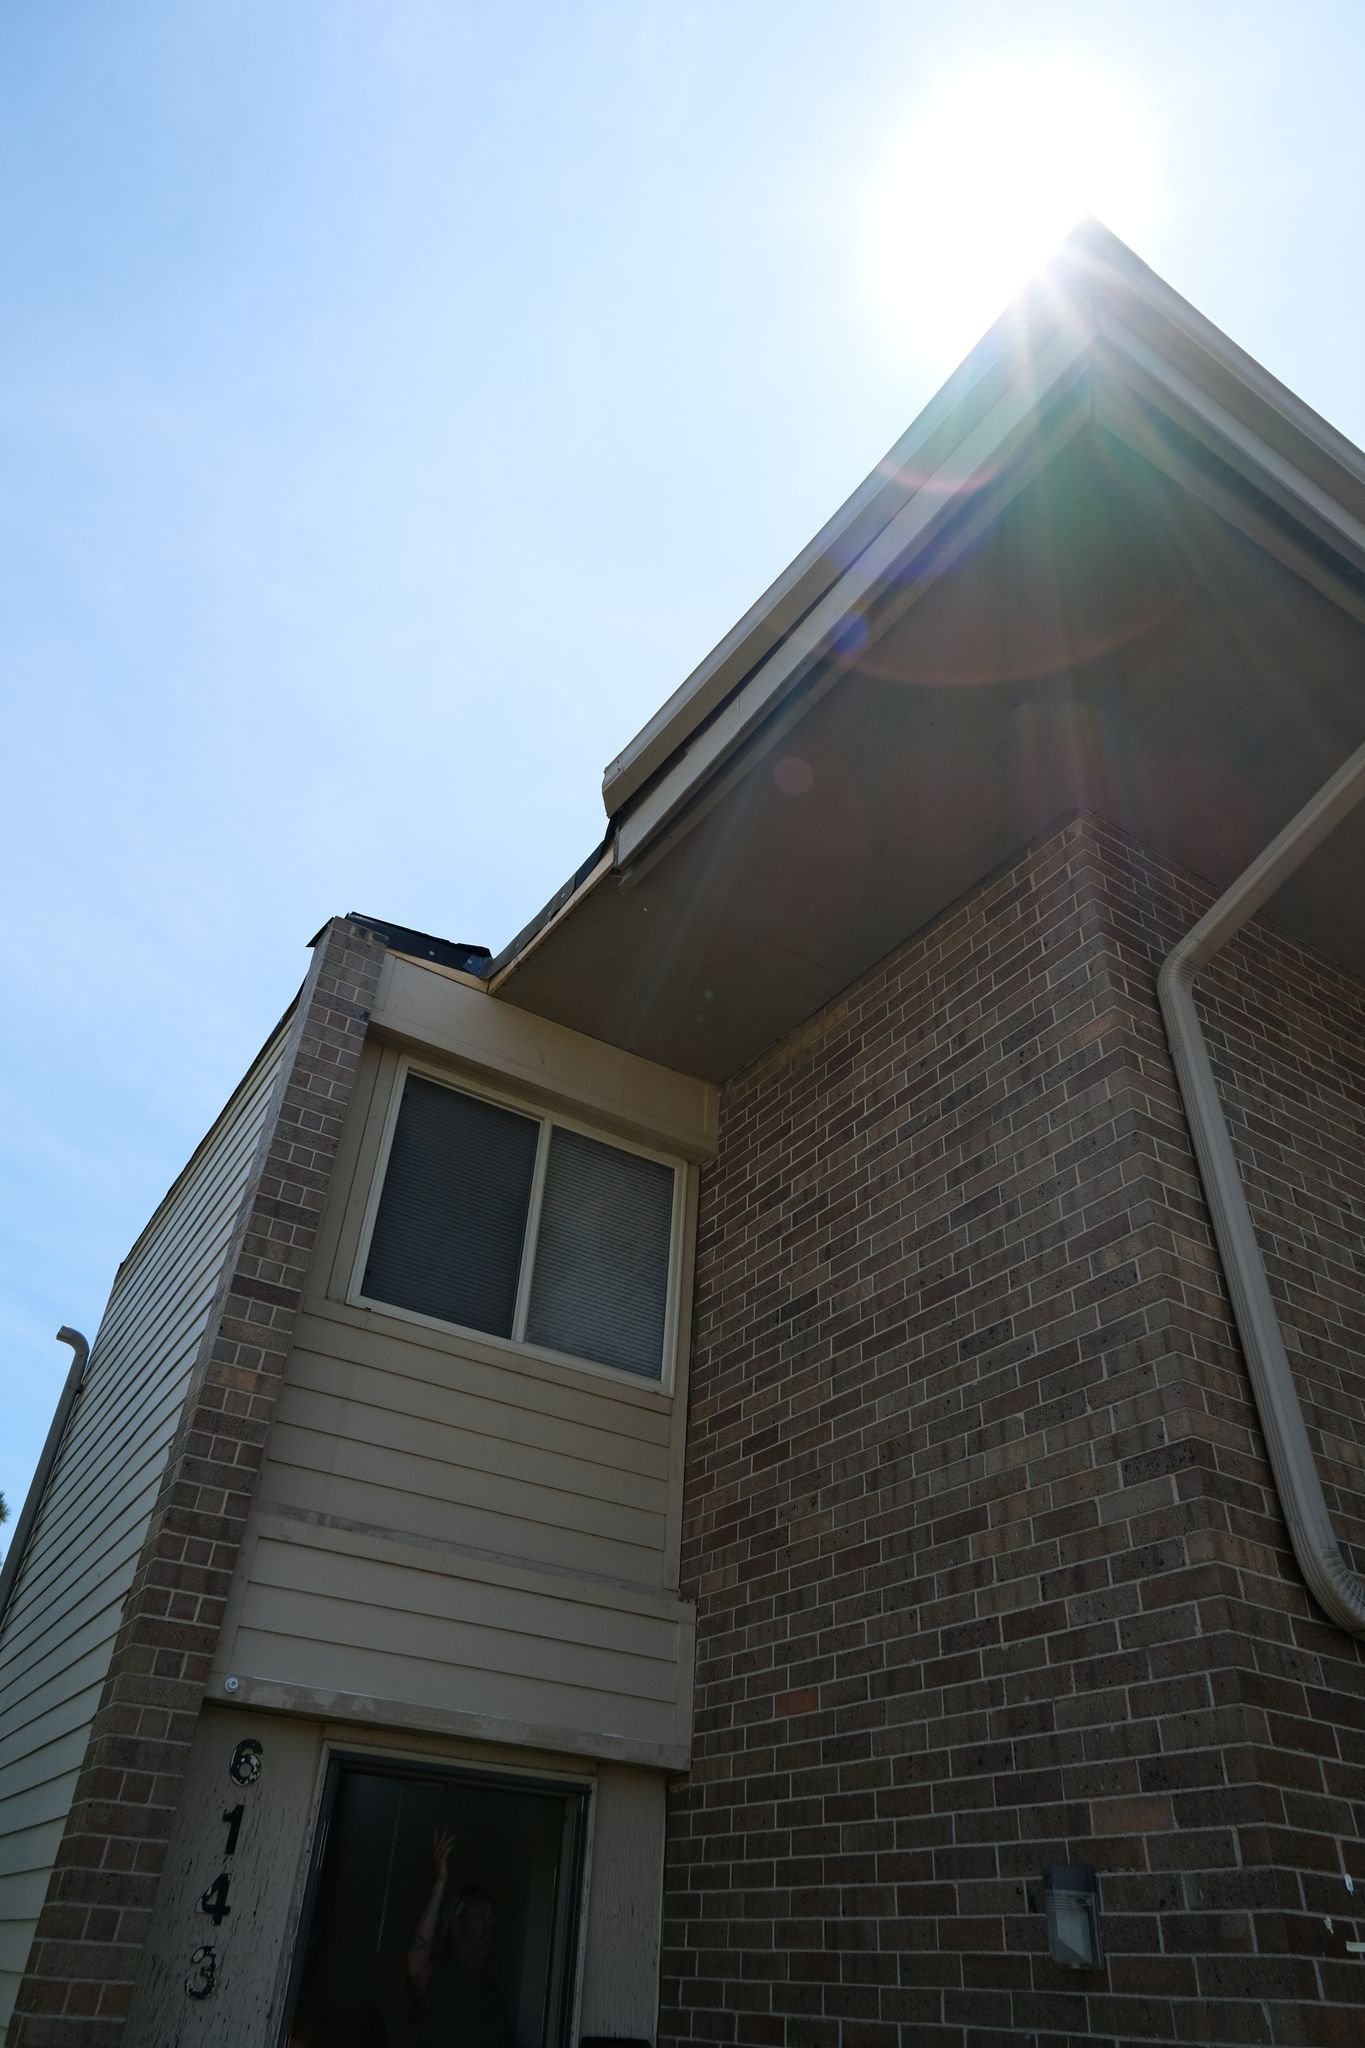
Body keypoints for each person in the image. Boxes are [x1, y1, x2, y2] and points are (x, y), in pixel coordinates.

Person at [407, 1827, 516, 2048]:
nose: (492, 1922)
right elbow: (416, 1966)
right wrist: (440, 1883)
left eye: (492, 1915)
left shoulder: (494, 1998)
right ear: (455, 1926)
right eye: (480, 1914)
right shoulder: (441, 1977)